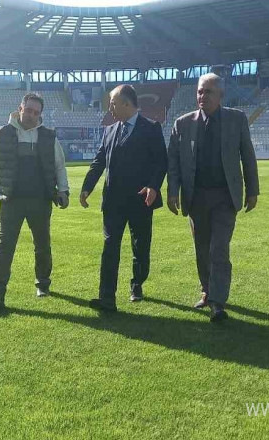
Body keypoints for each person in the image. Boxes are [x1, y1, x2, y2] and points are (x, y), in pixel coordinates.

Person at [166, 73, 260, 323]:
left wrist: (252, 190)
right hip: (196, 198)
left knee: (219, 249)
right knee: (202, 249)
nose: (202, 96)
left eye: (207, 92)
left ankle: (218, 302)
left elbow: (247, 156)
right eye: (199, 91)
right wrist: (172, 191)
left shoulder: (236, 120)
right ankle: (206, 291)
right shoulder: (182, 124)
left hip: (224, 197)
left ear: (220, 95)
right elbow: (173, 161)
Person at [80, 85, 168, 312]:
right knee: (110, 247)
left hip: (141, 200)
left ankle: (137, 284)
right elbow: (99, 161)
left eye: (113, 103)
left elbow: (161, 162)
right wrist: (86, 187)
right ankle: (106, 297)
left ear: (127, 104)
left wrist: (153, 186)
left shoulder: (151, 128)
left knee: (140, 246)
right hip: (113, 203)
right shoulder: (109, 131)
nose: (109, 108)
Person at [0, 93, 70, 309]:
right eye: (28, 110)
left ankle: (43, 283)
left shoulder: (48, 136)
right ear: (20, 108)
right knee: (4, 246)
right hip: (10, 201)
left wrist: (64, 190)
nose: (31, 115)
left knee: (42, 245)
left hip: (40, 201)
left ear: (40, 114)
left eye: (36, 112)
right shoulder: (2, 134)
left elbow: (59, 165)